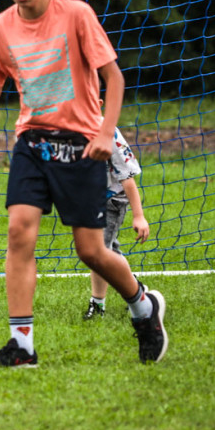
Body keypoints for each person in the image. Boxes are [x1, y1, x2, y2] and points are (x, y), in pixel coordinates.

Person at [0, 0, 168, 369]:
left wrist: (106, 134)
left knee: (90, 251)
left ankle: (143, 307)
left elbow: (115, 79)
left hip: (83, 147)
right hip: (32, 142)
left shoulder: (76, 15)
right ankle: (22, 346)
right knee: (19, 232)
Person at [83, 122, 150, 320]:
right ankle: (137, 290)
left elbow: (127, 178)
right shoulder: (70, 130)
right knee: (110, 251)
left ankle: (97, 305)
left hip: (111, 200)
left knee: (98, 253)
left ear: (99, 104)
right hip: (91, 200)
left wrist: (139, 216)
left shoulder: (108, 134)